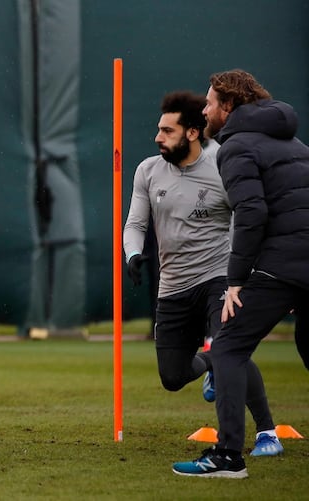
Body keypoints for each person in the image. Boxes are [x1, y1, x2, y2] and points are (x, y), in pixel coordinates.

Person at [123, 91, 281, 470]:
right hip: (173, 286)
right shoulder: (148, 170)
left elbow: (248, 217)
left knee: (232, 350)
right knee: (173, 377)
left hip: (219, 278)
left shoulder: (223, 163)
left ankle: (267, 432)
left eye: (167, 130)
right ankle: (210, 362)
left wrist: (248, 271)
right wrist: (132, 254)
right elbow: (135, 223)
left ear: (192, 132)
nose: (158, 137)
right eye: (158, 129)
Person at [173, 70, 309, 478]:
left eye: (211, 102)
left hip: (282, 262)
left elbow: (251, 213)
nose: (205, 109)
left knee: (228, 347)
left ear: (229, 107)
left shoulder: (236, 147)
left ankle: (227, 458)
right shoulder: (292, 140)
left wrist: (235, 280)